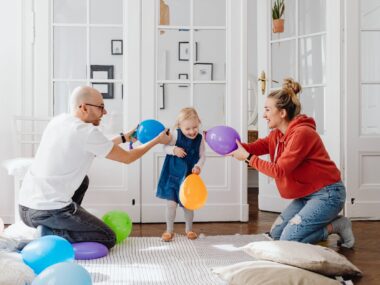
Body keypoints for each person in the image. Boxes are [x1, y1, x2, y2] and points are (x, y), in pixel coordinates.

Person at [5, 86, 171, 251]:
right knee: (108, 237)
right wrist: (157, 140)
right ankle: (47, 235)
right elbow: (128, 158)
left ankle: (67, 222)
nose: (104, 112)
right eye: (101, 107)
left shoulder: (60, 121)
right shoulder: (86, 132)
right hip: (47, 212)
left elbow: (97, 147)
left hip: (26, 209)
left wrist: (124, 137)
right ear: (83, 107)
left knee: (83, 180)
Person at [229, 78, 355, 248]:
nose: (264, 115)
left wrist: (247, 157)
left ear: (282, 113)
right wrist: (230, 146)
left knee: (288, 241)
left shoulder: (302, 133)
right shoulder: (277, 134)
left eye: (267, 110)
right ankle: (327, 224)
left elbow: (279, 171)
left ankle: (337, 225)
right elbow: (255, 147)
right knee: (275, 236)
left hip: (328, 194)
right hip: (306, 195)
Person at [156, 107, 206, 242]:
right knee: (171, 204)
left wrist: (198, 166)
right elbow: (164, 148)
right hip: (173, 175)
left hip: (188, 177)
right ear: (180, 127)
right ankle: (169, 230)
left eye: (195, 127)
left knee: (188, 205)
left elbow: (202, 156)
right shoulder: (176, 135)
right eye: (188, 129)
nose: (192, 131)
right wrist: (174, 149)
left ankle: (189, 229)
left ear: (198, 123)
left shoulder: (200, 138)